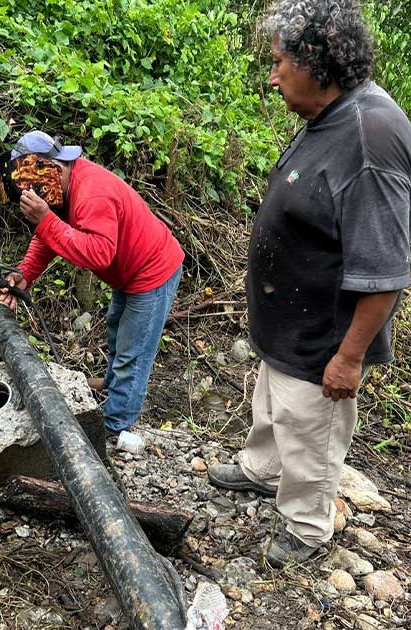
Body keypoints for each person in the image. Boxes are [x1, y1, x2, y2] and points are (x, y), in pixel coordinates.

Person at [207, 0, 410, 568]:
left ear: (317, 63)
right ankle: (262, 468)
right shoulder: (328, 114)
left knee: (310, 426)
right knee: (272, 404)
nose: (273, 76)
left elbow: (387, 269)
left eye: (278, 64)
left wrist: (349, 358)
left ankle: (307, 523)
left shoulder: (371, 139)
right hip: (290, 319)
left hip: (326, 332)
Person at [0, 130, 185, 439]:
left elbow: (98, 253)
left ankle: (114, 425)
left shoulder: (91, 191)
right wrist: (25, 274)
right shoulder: (63, 189)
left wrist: (45, 220)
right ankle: (112, 391)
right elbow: (49, 236)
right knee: (116, 334)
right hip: (127, 273)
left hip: (152, 271)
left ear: (53, 169)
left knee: (132, 353)